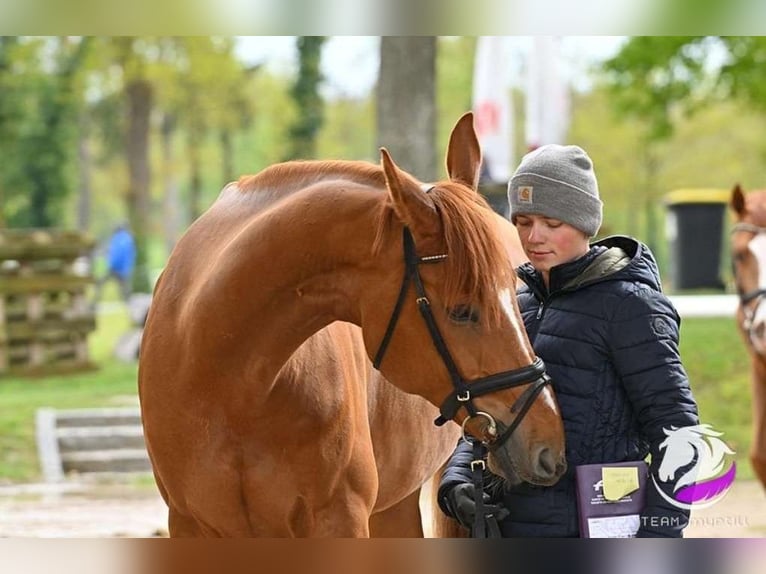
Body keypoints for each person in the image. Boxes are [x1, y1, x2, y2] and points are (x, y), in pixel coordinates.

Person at [438, 144, 700, 537]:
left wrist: (658, 535)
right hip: (510, 528)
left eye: (551, 222)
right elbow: (486, 413)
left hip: (602, 527)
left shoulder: (631, 306)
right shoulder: (513, 303)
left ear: (583, 221)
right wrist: (457, 481)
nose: (533, 236)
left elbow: (678, 431)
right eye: (523, 222)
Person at [94, 223, 136, 303]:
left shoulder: (118, 238)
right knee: (125, 290)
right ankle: (129, 305)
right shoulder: (128, 238)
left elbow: (115, 254)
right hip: (124, 269)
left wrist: (111, 264)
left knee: (101, 283)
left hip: (115, 268)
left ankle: (94, 302)